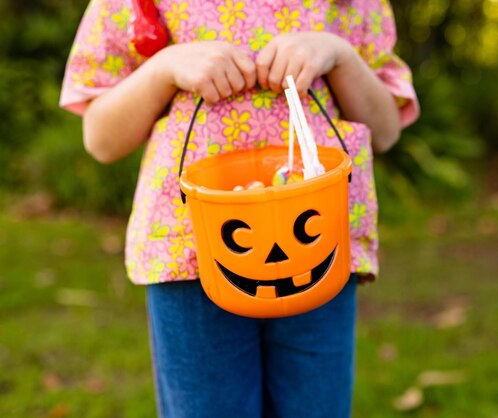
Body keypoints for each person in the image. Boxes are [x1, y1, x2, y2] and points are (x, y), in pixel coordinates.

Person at [60, 0, 418, 416]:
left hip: (317, 247)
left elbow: (386, 131)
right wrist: (164, 68)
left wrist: (338, 55)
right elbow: (101, 140)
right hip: (193, 254)